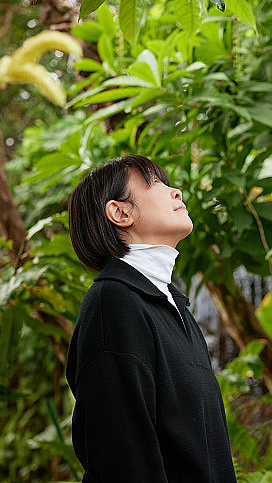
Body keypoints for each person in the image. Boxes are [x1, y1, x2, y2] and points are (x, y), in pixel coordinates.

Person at [64, 155, 237, 482]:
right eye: (155, 183)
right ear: (120, 213)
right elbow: (122, 459)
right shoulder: (113, 304)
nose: (177, 192)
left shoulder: (171, 302)